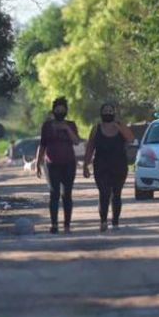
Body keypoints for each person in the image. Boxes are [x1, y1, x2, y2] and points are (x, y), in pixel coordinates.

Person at [84, 102, 135, 231]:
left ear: (114, 113)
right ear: (101, 113)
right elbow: (90, 147)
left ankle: (115, 222)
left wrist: (119, 126)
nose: (108, 113)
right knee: (104, 193)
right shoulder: (96, 128)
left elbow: (131, 139)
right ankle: (103, 221)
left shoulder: (120, 126)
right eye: (105, 110)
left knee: (117, 194)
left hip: (119, 165)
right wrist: (86, 165)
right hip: (101, 166)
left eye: (110, 110)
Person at [36, 97, 80, 234]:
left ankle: (67, 225)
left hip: (69, 164)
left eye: (62, 109)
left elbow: (76, 141)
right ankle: (54, 224)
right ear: (53, 110)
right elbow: (42, 145)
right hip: (51, 164)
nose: (60, 111)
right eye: (57, 109)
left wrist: (66, 128)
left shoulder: (71, 124)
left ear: (66, 111)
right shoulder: (47, 126)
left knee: (67, 195)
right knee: (54, 194)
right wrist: (38, 163)